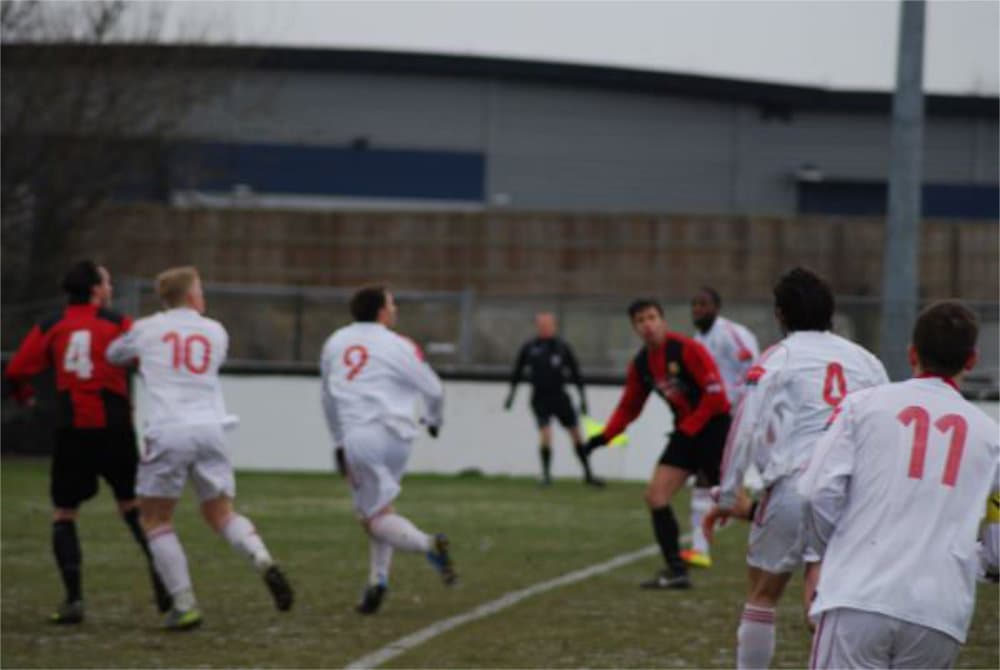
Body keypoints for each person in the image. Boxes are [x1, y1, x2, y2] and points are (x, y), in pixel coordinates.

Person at [702, 267, 888, 670]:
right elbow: (883, 428)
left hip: (794, 486)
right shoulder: (867, 361)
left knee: (763, 594)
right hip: (852, 492)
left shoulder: (778, 358)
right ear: (831, 312)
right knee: (828, 598)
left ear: (781, 314)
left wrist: (729, 494)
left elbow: (745, 429)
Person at [799, 300, 999, 669]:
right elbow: (998, 542)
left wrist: (829, 555)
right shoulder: (991, 437)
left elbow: (816, 493)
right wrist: (983, 564)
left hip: (859, 594)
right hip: (940, 610)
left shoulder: (862, 406)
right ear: (971, 360)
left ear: (912, 354)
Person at [106, 266, 293, 630]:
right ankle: (261, 557)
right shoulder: (215, 331)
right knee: (221, 513)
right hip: (212, 427)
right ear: (192, 296)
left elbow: (114, 354)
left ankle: (185, 603)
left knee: (156, 518)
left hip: (168, 428)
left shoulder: (146, 329)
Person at [4, 260, 170, 624]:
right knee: (132, 506)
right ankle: (167, 588)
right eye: (107, 281)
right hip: (114, 427)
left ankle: (74, 600)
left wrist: (24, 395)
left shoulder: (51, 325)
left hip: (72, 429)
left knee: (65, 513)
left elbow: (16, 370)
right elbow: (147, 361)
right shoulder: (116, 323)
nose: (110, 287)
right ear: (96, 289)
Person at [320, 285, 455, 615]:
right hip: (400, 438)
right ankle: (377, 583)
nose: (395, 309)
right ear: (381, 311)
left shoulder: (335, 342)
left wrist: (338, 440)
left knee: (371, 516)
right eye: (392, 304)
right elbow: (434, 389)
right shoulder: (400, 345)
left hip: (362, 437)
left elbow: (328, 397)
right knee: (380, 508)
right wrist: (434, 420)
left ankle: (428, 544)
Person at [584, 298, 731, 589]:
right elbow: (630, 406)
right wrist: (603, 437)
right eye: (640, 321)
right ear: (635, 328)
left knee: (730, 503)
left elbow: (717, 397)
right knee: (656, 496)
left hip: (714, 429)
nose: (647, 325)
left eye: (652, 317)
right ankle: (676, 570)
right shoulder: (641, 364)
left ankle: (793, 541)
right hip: (687, 434)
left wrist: (690, 428)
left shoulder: (687, 349)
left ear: (663, 320)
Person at [686, 286, 760, 568]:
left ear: (717, 307)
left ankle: (705, 543)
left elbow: (753, 372)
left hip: (737, 416)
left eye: (703, 304)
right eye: (694, 304)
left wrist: (736, 405)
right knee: (709, 479)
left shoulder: (731, 334)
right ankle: (700, 548)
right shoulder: (698, 340)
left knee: (718, 481)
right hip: (714, 418)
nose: (697, 309)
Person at [505, 312, 601, 487]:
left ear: (554, 326)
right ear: (537, 326)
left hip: (560, 398)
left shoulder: (562, 347)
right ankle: (546, 475)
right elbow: (517, 372)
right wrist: (510, 396)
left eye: (548, 324)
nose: (544, 328)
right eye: (541, 325)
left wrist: (583, 399)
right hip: (540, 399)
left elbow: (577, 374)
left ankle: (588, 474)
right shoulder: (530, 347)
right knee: (546, 434)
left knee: (576, 435)